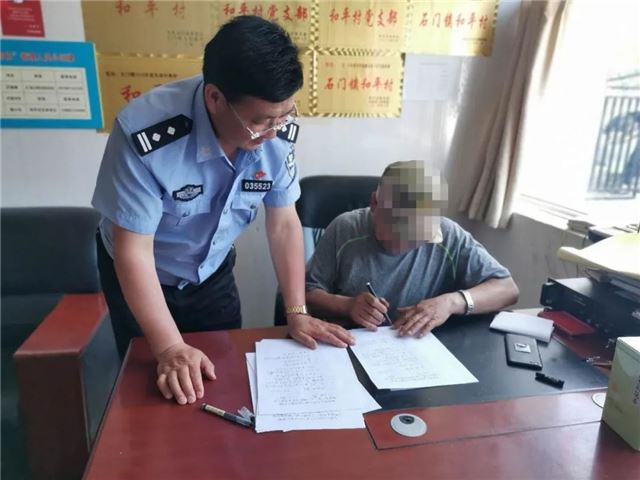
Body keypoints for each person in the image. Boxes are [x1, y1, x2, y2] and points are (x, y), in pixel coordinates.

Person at [92, 16, 354, 406]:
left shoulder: (275, 131)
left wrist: (297, 311)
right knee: (149, 390)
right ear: (214, 98)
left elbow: (284, 223)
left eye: (284, 116)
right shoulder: (147, 134)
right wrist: (169, 347)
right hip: (143, 277)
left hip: (211, 273)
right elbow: (134, 252)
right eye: (260, 121)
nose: (273, 132)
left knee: (224, 382)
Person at [306, 161, 519, 337]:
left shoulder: (448, 234)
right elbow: (303, 296)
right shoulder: (345, 229)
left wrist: (451, 302)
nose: (403, 246)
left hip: (420, 348)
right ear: (374, 204)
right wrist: (347, 305)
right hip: (352, 343)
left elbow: (507, 289)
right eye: (395, 232)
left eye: (417, 238)